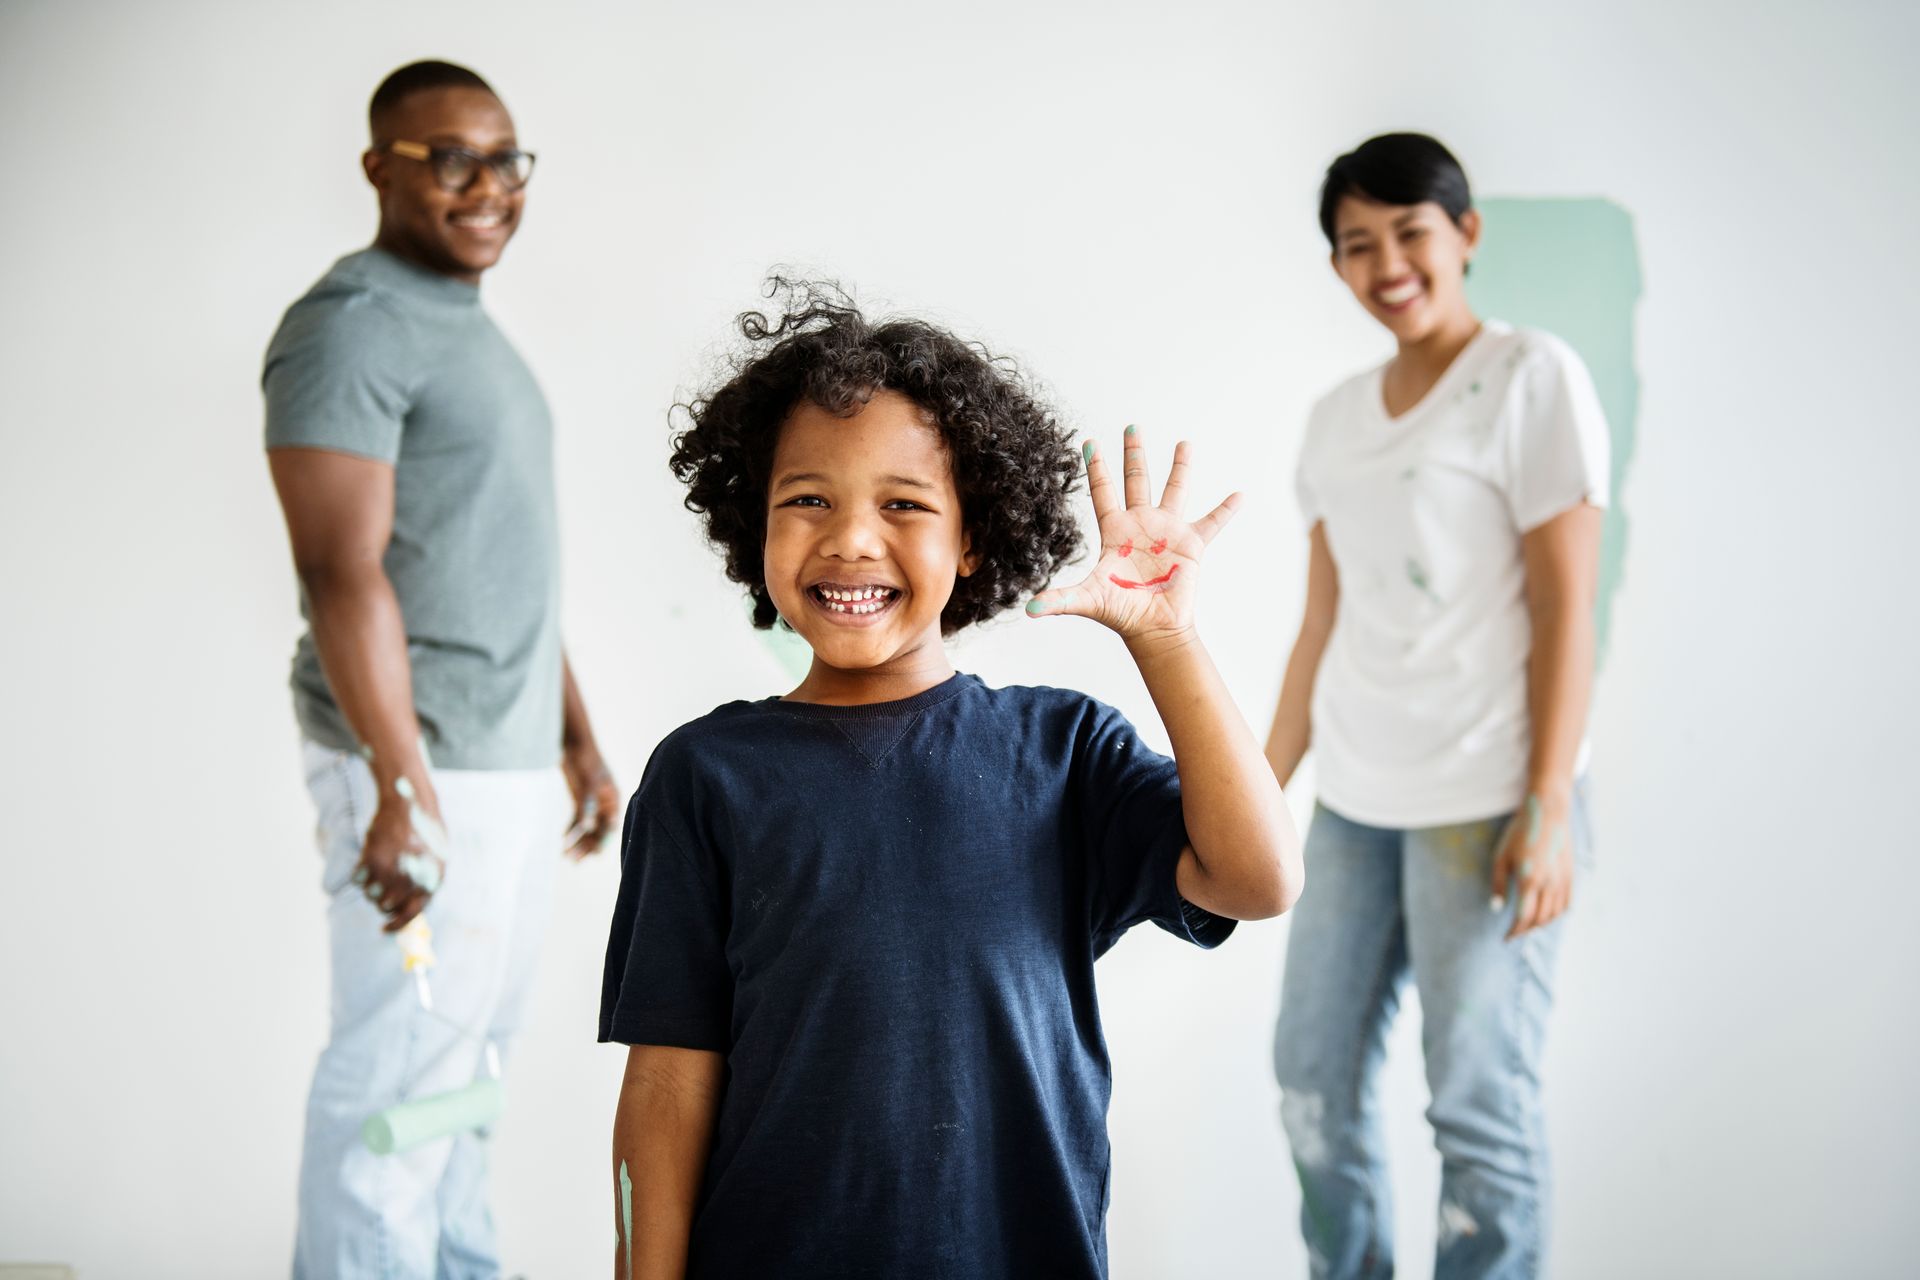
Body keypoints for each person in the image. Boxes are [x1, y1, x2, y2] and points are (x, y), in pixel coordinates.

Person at [597, 284, 1304, 1279]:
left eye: (903, 504)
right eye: (808, 498)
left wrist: (1165, 636)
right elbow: (668, 1078)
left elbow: (1259, 877)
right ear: (753, 521)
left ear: (972, 538)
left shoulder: (1063, 751)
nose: (850, 538)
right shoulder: (705, 775)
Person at [263, 59, 621, 1280]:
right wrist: (401, 783)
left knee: (465, 1074)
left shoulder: (467, 328)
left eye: (506, 158)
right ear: (380, 169)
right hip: (422, 764)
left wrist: (572, 732)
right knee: (396, 1074)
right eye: (451, 159)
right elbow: (340, 571)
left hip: (502, 760)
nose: (488, 187)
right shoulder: (352, 322)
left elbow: (491, 556)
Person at [1265, 133, 1609, 1279]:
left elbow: (1569, 608)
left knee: (1474, 1105)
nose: (1388, 262)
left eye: (1410, 231)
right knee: (1311, 1081)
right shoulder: (1331, 421)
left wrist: (1551, 800)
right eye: (1357, 244)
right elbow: (1322, 622)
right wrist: (1254, 792)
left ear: (1464, 233)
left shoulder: (1528, 377)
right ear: (1337, 268)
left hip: (1494, 791)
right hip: (1357, 797)